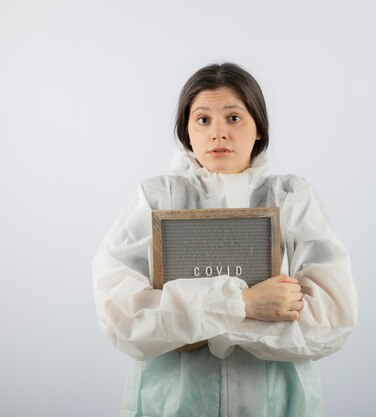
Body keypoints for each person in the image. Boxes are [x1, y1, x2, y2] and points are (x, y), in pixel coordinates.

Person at [92, 63, 358, 417]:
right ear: (186, 131)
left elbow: (331, 318)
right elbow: (122, 316)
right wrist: (244, 304)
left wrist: (188, 326)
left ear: (259, 128)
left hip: (275, 404)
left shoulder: (293, 197)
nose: (218, 133)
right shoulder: (155, 198)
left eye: (233, 118)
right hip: (171, 405)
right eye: (203, 120)